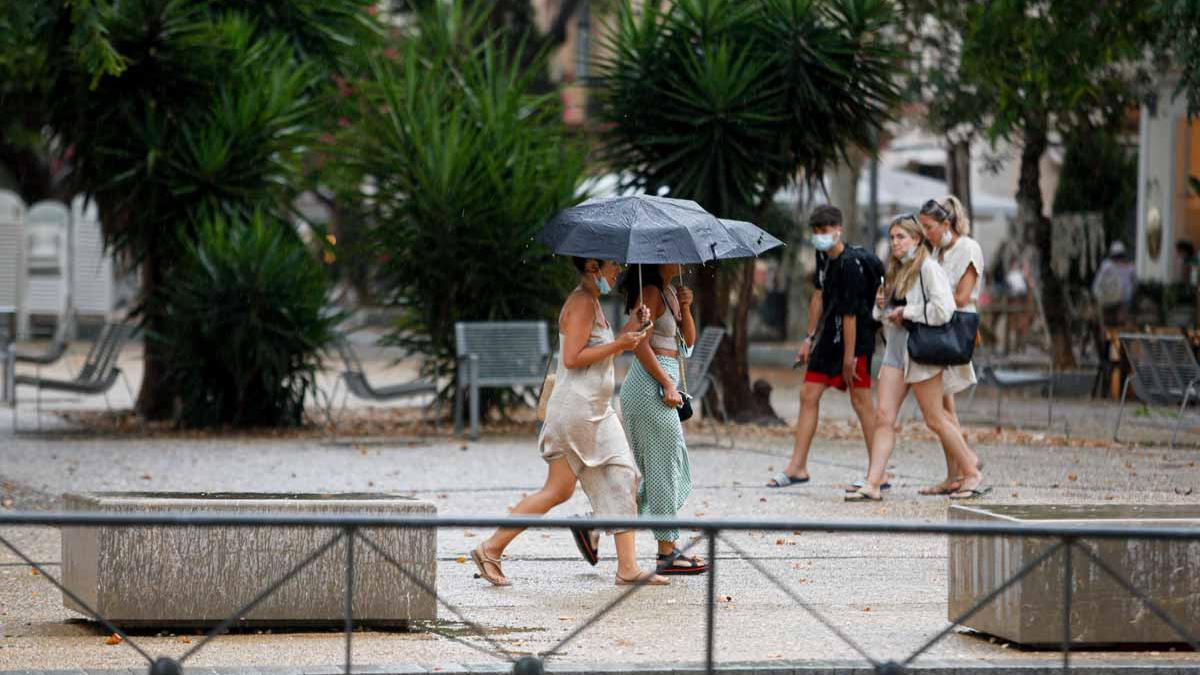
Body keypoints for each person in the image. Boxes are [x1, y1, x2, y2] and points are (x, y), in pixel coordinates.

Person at [471, 257, 668, 587]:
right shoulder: (580, 303)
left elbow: (603, 353)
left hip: (597, 410)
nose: (618, 270)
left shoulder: (594, 302)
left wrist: (631, 328)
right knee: (558, 490)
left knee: (621, 476)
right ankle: (490, 548)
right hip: (576, 412)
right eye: (613, 265)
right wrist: (619, 342)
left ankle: (628, 567)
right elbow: (573, 358)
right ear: (593, 266)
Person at [846, 214, 987, 502]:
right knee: (884, 418)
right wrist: (881, 307)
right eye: (892, 237)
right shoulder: (894, 272)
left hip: (922, 353)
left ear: (917, 239)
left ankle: (971, 471)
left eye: (901, 237)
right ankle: (873, 482)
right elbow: (882, 318)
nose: (895, 242)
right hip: (895, 353)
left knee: (935, 418)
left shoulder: (928, 269)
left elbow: (944, 309)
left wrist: (906, 313)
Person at [767, 205, 884, 490]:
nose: (820, 236)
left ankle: (878, 472)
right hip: (828, 338)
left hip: (855, 340)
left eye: (825, 230)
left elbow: (851, 315)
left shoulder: (850, 265)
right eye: (816, 231)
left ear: (838, 229)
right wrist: (808, 338)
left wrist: (850, 358)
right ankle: (797, 467)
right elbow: (818, 297)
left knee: (861, 401)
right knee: (808, 393)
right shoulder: (824, 256)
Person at [617, 263, 705, 575]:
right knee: (664, 466)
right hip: (648, 383)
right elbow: (638, 341)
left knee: (667, 465)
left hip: (666, 378)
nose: (679, 259)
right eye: (672, 253)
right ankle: (666, 552)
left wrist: (685, 307)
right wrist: (667, 384)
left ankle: (597, 524)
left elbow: (688, 342)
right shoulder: (650, 292)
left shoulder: (668, 292)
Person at [917, 196, 984, 496]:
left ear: (947, 222)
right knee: (944, 404)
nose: (926, 232)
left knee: (944, 407)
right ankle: (954, 473)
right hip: (938, 327)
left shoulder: (967, 248)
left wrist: (933, 295)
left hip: (956, 329)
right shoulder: (936, 253)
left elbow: (962, 295)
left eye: (929, 226)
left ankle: (966, 466)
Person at [1092, 241, 1136, 327]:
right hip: (1108, 302)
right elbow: (1097, 284)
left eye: (1120, 256)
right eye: (1117, 256)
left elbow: (1134, 284)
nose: (1119, 260)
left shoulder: (1130, 268)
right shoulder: (1107, 266)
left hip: (1123, 303)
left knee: (1120, 324)